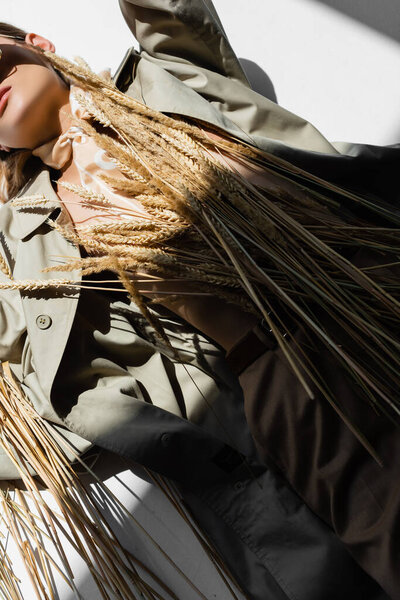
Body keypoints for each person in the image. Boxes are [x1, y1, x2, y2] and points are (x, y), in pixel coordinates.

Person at [0, 1, 395, 598]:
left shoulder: (168, 75)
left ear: (37, 44)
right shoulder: (28, 247)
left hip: (368, 282)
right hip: (287, 380)